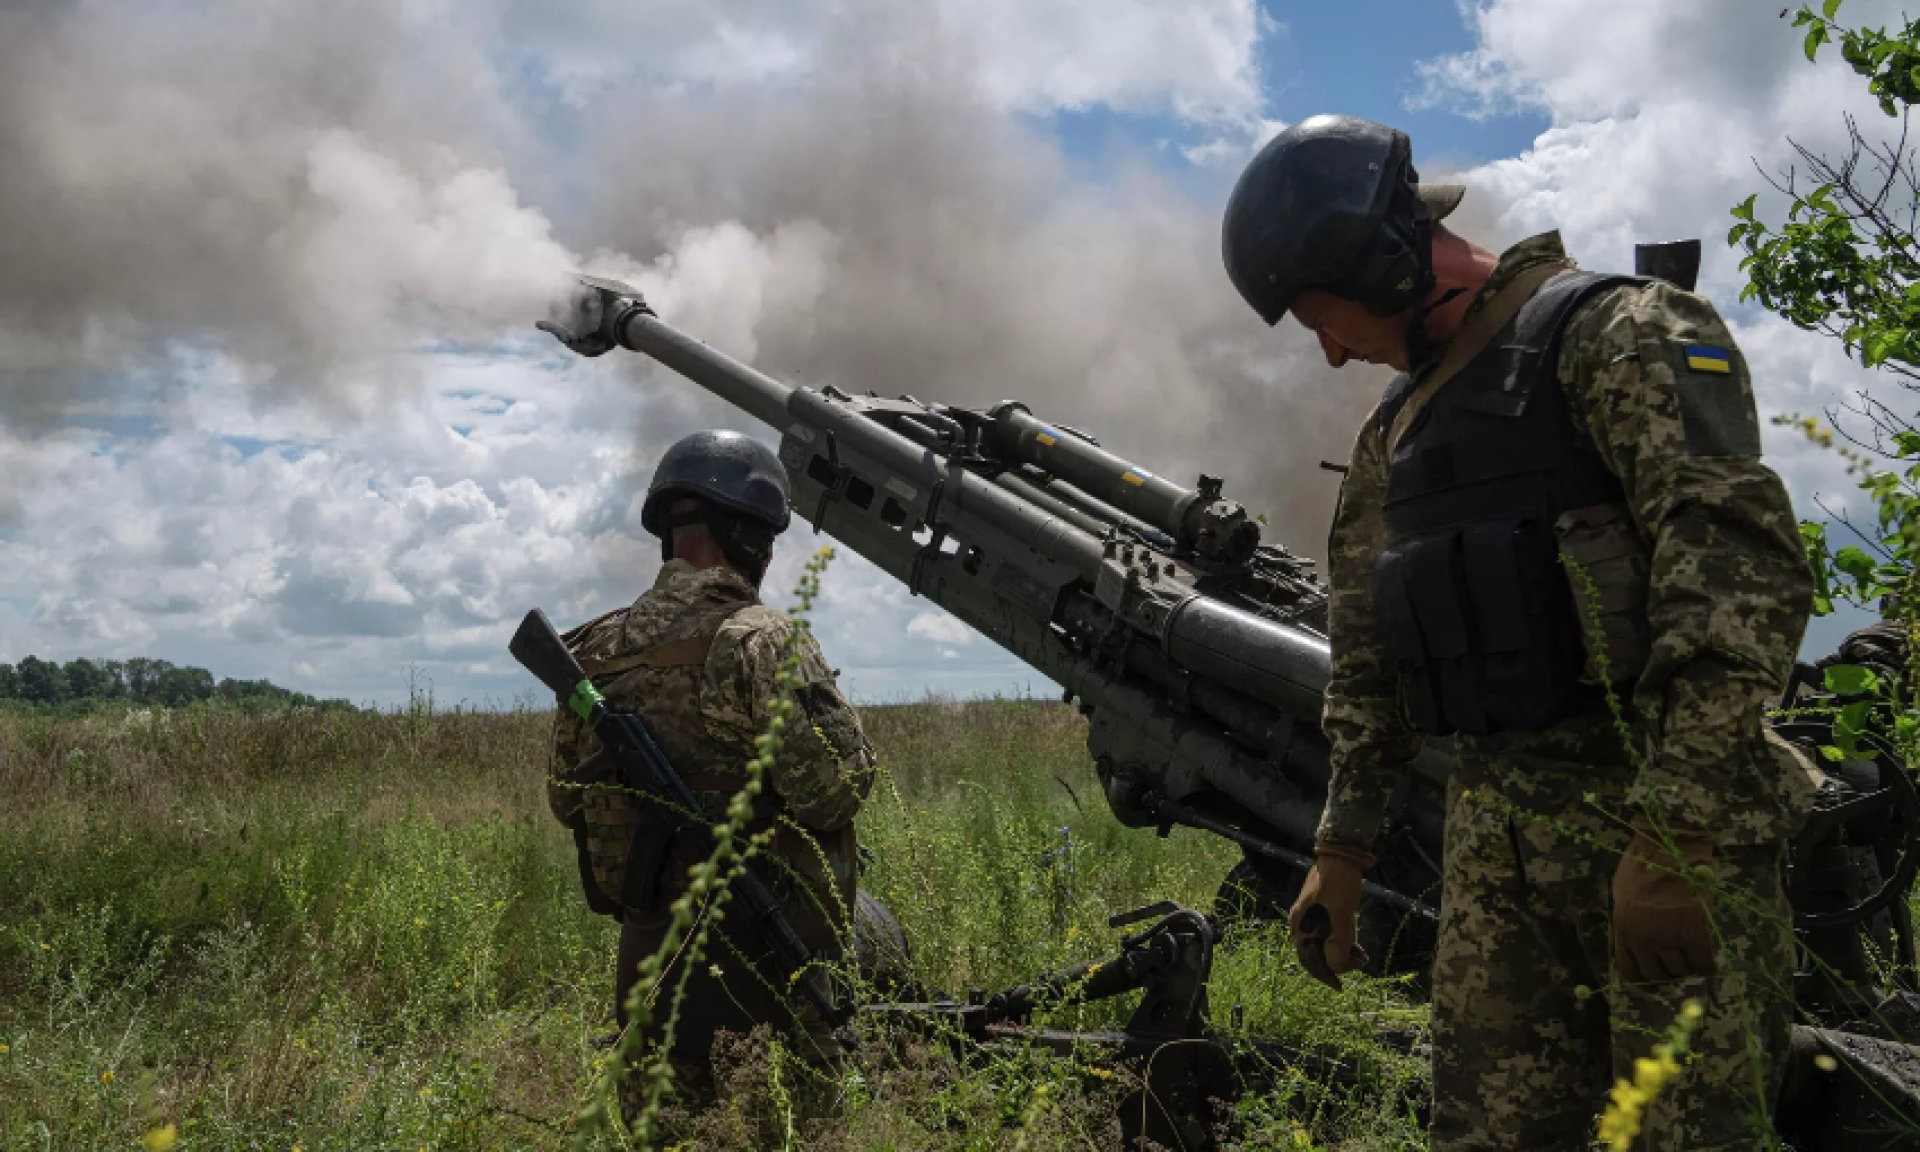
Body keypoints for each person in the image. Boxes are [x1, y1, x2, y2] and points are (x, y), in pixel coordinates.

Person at [1221, 115, 1812, 1149]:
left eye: (1328, 316)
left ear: (1390, 264)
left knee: (1689, 1133)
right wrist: (1344, 847)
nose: (1327, 353)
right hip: (1494, 850)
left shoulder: (1619, 335)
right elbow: (1366, 655)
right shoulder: (1397, 434)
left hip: (1662, 828)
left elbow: (1733, 583)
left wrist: (1678, 838)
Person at [545, 429, 877, 1103]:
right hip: (765, 964)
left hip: (647, 969)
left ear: (669, 534)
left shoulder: (596, 651)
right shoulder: (762, 641)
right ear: (749, 538)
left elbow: (564, 800)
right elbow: (832, 798)